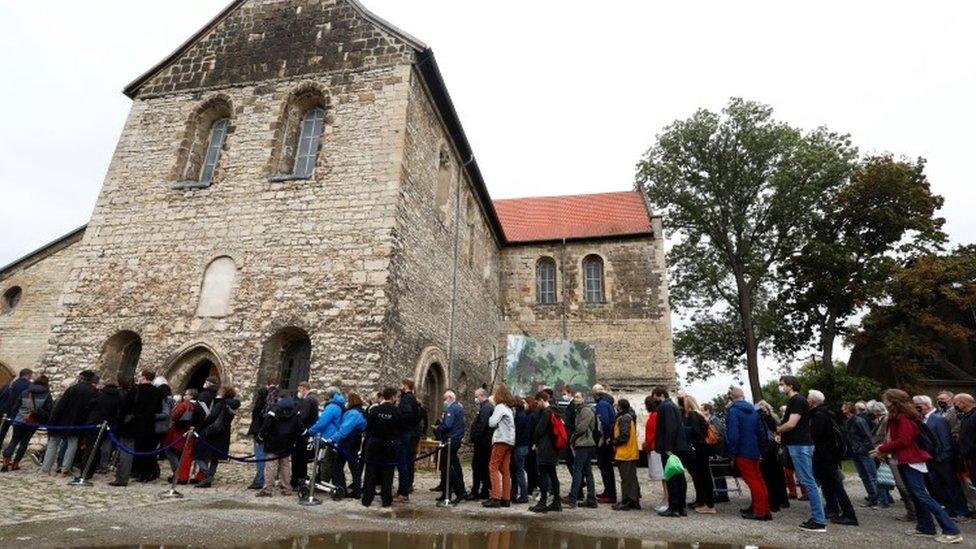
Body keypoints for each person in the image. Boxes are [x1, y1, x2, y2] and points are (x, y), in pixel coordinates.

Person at [872, 389, 962, 544]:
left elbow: (904, 440)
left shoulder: (903, 417)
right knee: (915, 494)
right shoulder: (898, 416)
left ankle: (951, 530)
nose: (885, 402)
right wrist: (884, 448)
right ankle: (925, 527)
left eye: (887, 400)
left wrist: (883, 449)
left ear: (893, 401)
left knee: (921, 494)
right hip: (905, 459)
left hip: (911, 459)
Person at [775, 375, 826, 532]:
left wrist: (778, 429)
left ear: (790, 385)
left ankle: (819, 520)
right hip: (798, 444)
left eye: (782, 384)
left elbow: (791, 424)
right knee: (807, 480)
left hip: (800, 445)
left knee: (808, 481)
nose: (781, 387)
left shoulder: (797, 400)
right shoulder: (797, 401)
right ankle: (817, 518)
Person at [807, 390, 858, 526]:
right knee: (828, 484)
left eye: (808, 399)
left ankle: (849, 514)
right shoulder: (827, 414)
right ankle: (832, 509)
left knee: (835, 484)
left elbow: (815, 436)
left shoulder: (819, 416)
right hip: (829, 454)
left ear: (812, 402)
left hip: (825, 455)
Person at [914, 395, 969, 519]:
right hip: (931, 459)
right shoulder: (924, 419)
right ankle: (949, 509)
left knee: (951, 485)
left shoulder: (938, 419)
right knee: (938, 487)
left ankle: (962, 511)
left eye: (917, 404)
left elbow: (945, 440)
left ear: (925, 405)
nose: (915, 407)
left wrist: (942, 457)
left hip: (943, 459)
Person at [41, 370, 98, 477]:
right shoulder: (93, 392)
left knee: (53, 443)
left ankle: (46, 468)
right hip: (78, 422)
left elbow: (61, 405)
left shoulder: (73, 389)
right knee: (72, 444)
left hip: (62, 420)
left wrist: (53, 420)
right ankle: (65, 469)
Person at [110, 370, 162, 486]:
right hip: (148, 427)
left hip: (132, 426)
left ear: (143, 377)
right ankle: (145, 474)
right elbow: (158, 410)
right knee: (146, 451)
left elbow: (125, 407)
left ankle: (122, 478)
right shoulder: (157, 392)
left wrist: (120, 422)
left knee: (126, 452)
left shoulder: (136, 390)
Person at [726, 387, 770, 521]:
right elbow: (761, 432)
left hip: (742, 451)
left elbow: (733, 435)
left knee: (752, 481)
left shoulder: (734, 411)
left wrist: (732, 453)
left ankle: (759, 511)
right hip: (754, 450)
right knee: (759, 480)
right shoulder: (754, 411)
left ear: (731, 398)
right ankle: (764, 508)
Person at [362, 387, 403, 508]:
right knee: (388, 472)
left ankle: (367, 499)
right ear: (392, 397)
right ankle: (386, 500)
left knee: (370, 471)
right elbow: (401, 428)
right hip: (390, 444)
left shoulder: (375, 410)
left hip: (374, 443)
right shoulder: (396, 411)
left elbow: (368, 427)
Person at [1, 375, 51, 472]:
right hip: (33, 421)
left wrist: (13, 418)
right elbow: (49, 410)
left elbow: (16, 406)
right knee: (24, 442)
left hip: (19, 420)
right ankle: (16, 464)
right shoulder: (47, 395)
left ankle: (6, 462)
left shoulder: (25, 392)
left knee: (14, 441)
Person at [653, 386, 689, 517]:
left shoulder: (666, 407)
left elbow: (670, 428)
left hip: (670, 449)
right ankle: (681, 506)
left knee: (672, 477)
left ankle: (674, 507)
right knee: (679, 476)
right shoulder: (672, 406)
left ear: (660, 395)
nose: (654, 400)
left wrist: (668, 448)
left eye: (655, 397)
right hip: (677, 447)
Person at [194, 385, 240, 488]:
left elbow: (212, 417)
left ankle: (207, 475)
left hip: (212, 433)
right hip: (224, 433)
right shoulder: (233, 405)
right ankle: (209, 478)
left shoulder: (221, 403)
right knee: (215, 458)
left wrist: (203, 423)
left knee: (198, 456)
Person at [257, 396, 304, 497]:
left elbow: (266, 425)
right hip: (288, 442)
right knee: (285, 466)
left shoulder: (274, 410)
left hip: (273, 442)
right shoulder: (295, 411)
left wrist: (260, 437)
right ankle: (287, 488)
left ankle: (267, 489)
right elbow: (300, 427)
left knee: (270, 466)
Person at [80, 378, 123, 480]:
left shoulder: (100, 394)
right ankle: (92, 470)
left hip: (95, 423)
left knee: (90, 448)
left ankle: (85, 472)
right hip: (108, 424)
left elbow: (89, 407)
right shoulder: (119, 397)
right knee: (98, 447)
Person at [842, 401, 881, 509]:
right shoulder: (848, 421)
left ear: (849, 408)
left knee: (871, 475)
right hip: (855, 452)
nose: (842, 409)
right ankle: (872, 499)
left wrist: (862, 449)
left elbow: (867, 437)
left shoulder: (859, 421)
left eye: (844, 407)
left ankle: (879, 500)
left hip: (863, 452)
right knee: (864, 476)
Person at [483, 385, 516, 508]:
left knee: (493, 466)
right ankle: (506, 498)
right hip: (509, 441)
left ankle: (496, 497)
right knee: (505, 470)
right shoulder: (509, 409)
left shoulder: (500, 407)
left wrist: (493, 407)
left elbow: (492, 423)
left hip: (501, 440)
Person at [682, 395, 715, 514]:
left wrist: (683, 430)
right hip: (703, 448)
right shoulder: (700, 415)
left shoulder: (693, 415)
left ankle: (708, 504)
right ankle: (702, 501)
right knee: (703, 476)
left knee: (702, 476)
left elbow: (695, 431)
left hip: (699, 448)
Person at [530, 391, 561, 513]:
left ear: (542, 400)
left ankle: (542, 502)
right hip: (553, 448)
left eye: (538, 402)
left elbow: (538, 430)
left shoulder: (547, 413)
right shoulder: (555, 411)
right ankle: (556, 502)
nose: (537, 405)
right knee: (553, 475)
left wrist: (535, 443)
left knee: (543, 474)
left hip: (545, 447)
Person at [756, 400, 789, 512]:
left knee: (769, 476)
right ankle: (782, 500)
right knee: (778, 475)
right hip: (775, 446)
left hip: (768, 447)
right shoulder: (773, 417)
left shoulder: (763, 418)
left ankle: (773, 502)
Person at [332, 392, 367, 499]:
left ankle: (341, 489)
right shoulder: (361, 412)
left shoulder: (353, 413)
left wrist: (333, 439)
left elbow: (345, 429)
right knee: (353, 466)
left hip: (348, 441)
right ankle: (356, 489)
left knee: (338, 466)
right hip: (355, 440)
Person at [434, 390, 467, 504]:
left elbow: (447, 425)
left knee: (449, 468)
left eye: (444, 399)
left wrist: (438, 428)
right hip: (454, 440)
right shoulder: (459, 408)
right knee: (453, 467)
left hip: (450, 440)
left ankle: (459, 492)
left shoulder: (452, 409)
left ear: (450, 398)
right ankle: (446, 493)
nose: (444, 401)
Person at [567, 392, 598, 509]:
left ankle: (573, 498)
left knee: (578, 471)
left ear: (583, 398)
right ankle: (591, 499)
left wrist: (572, 438)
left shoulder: (585, 410)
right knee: (587, 471)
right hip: (586, 443)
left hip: (584, 444)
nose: (575, 399)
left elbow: (581, 428)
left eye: (578, 397)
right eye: (574, 397)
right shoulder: (580, 410)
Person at [308, 386, 344, 483]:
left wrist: (310, 431)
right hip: (333, 435)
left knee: (325, 461)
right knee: (328, 461)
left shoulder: (332, 407)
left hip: (327, 437)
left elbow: (322, 422)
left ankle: (323, 482)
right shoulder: (339, 406)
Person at [247, 378, 278, 490]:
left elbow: (256, 412)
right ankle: (264, 478)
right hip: (269, 431)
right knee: (265, 456)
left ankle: (260, 479)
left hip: (259, 430)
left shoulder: (263, 395)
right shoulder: (275, 399)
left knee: (260, 456)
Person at [164, 388, 199, 483]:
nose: (185, 396)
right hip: (185, 432)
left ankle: (177, 473)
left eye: (186, 394)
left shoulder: (184, 405)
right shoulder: (195, 406)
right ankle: (179, 472)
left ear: (191, 396)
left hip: (177, 432)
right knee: (179, 453)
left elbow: (175, 416)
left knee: (170, 451)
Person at [395, 379, 422, 503]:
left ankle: (403, 491)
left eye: (401, 385)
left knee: (404, 463)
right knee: (408, 462)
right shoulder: (413, 399)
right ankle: (407, 487)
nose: (399, 387)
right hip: (412, 433)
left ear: (406, 386)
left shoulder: (407, 399)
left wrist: (399, 426)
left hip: (407, 434)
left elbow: (406, 417)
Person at [611, 398, 640, 511]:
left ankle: (627, 500)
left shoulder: (625, 418)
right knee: (631, 478)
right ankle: (633, 500)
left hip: (625, 453)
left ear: (620, 407)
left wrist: (613, 441)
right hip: (629, 452)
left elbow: (624, 436)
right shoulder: (628, 417)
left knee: (626, 479)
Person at [467, 387, 494, 501]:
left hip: (483, 444)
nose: (475, 399)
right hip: (482, 443)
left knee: (478, 467)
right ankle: (483, 491)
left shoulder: (487, 408)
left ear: (482, 396)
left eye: (476, 396)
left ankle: (477, 491)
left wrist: (475, 436)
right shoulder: (484, 407)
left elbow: (482, 426)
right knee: (481, 468)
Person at [292, 381, 319, 490]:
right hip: (308, 432)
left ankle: (297, 481)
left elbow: (303, 416)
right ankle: (301, 478)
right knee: (302, 458)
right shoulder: (313, 399)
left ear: (303, 389)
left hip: (303, 433)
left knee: (299, 458)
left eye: (299, 389)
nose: (299, 392)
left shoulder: (308, 400)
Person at [643, 396, 668, 513]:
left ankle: (667, 499)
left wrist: (647, 444)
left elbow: (652, 434)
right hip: (655, 447)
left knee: (664, 476)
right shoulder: (656, 414)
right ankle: (666, 498)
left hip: (655, 448)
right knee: (663, 476)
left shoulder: (654, 416)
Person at [592, 384, 617, 504]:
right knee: (607, 467)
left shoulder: (601, 405)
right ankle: (608, 492)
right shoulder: (608, 403)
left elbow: (604, 423)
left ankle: (610, 494)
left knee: (605, 467)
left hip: (604, 442)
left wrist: (604, 438)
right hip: (608, 440)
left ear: (596, 394)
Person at [0, 369, 33, 450]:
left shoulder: (11, 383)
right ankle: (9, 452)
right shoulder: (30, 386)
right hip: (19, 412)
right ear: (28, 375)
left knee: (3, 430)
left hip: (6, 410)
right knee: (16, 436)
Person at [511, 397, 532, 504]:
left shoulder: (519, 416)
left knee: (519, 472)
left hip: (519, 446)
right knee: (519, 471)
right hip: (524, 446)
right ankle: (518, 493)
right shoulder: (525, 415)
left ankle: (523, 495)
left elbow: (517, 433)